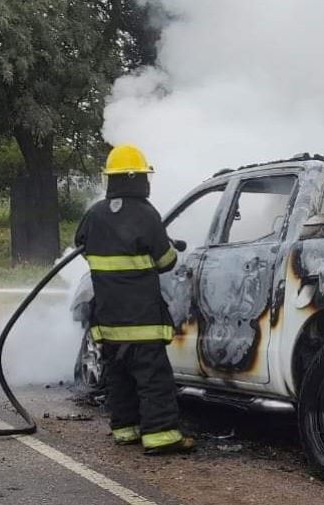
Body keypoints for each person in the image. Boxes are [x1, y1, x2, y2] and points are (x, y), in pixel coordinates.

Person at [75, 144, 193, 455]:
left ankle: (125, 430)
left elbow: (82, 246)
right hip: (142, 319)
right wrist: (166, 247)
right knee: (154, 380)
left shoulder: (95, 214)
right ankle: (162, 437)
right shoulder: (145, 214)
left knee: (119, 378)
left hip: (109, 319)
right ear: (135, 178)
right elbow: (166, 261)